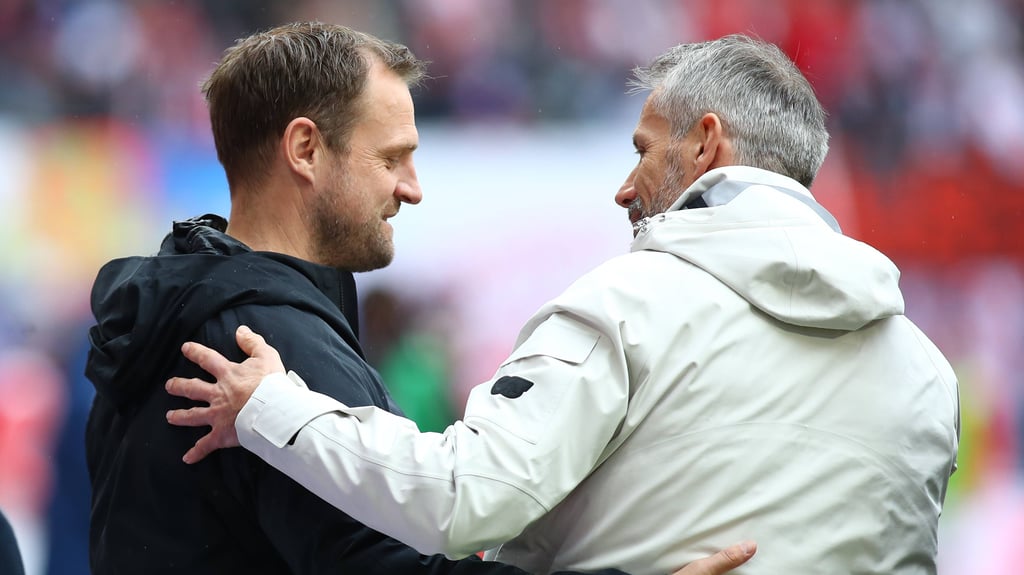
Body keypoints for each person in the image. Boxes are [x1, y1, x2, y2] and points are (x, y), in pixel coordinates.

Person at [164, 33, 963, 573]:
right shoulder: (927, 372)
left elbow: (464, 496)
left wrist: (275, 408)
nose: (624, 188)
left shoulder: (635, 301)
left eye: (643, 151)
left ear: (706, 144)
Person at [85, 20, 750, 575]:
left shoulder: (180, 306)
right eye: (391, 158)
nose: (412, 188)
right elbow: (383, 565)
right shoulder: (263, 345)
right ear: (305, 149)